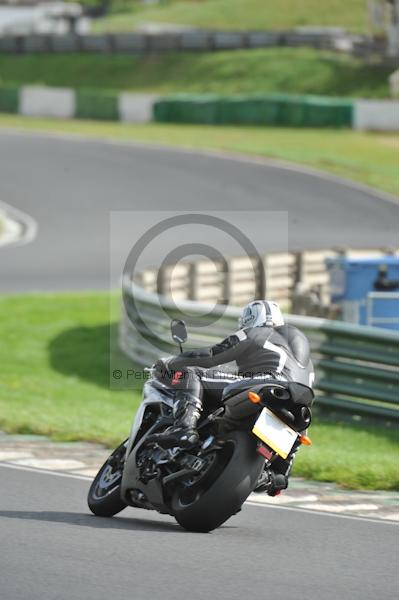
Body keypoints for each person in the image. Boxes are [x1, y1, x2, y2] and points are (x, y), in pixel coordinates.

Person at [151, 300, 314, 496]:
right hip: (298, 406)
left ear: (252, 318)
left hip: (266, 383)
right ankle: (276, 475)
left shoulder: (256, 332)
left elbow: (211, 355)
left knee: (193, 374)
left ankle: (184, 428)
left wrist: (172, 362)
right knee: (295, 439)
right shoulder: (307, 362)